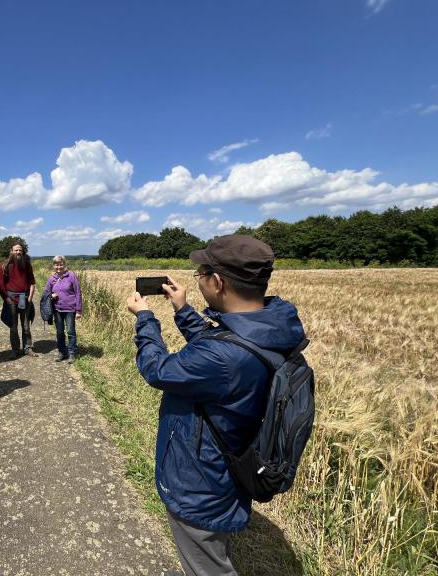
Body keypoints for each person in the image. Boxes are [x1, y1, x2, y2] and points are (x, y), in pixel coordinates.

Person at [126, 234, 306, 575]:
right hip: (230, 463)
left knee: (207, 567)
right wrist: (182, 308)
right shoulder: (269, 325)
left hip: (200, 483)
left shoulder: (223, 357)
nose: (199, 278)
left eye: (202, 272)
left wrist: (145, 318)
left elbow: (158, 369)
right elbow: (222, 345)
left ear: (218, 281)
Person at [0, 240, 38, 357]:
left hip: (25, 299)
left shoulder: (27, 265)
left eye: (20, 250)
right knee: (13, 327)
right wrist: (6, 298)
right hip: (11, 299)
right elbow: (0, 285)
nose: (18, 252)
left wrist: (30, 297)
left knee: (26, 326)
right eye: (16, 250)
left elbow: (32, 282)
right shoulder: (5, 266)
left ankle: (28, 348)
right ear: (11, 251)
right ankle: (15, 350)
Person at [43, 255, 83, 363]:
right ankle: (62, 352)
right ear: (54, 266)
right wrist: (51, 296)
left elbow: (78, 293)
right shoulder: (52, 279)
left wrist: (78, 310)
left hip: (70, 309)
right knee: (60, 332)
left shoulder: (71, 276)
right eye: (56, 264)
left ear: (64, 265)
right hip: (57, 310)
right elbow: (45, 294)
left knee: (70, 331)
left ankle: (71, 353)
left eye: (61, 264)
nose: (59, 267)